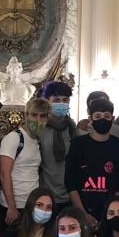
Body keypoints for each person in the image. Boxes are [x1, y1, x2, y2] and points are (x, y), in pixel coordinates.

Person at [65, 97, 119, 228]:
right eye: (98, 116)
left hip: (110, 214)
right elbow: (70, 183)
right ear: (90, 119)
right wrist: (83, 213)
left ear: (113, 118)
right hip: (82, 211)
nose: (102, 119)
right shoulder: (78, 145)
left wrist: (110, 214)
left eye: (107, 116)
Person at [0, 97, 49, 230]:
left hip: (32, 204)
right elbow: (4, 174)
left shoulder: (37, 141)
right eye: (34, 115)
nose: (38, 120)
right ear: (26, 115)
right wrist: (11, 207)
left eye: (42, 116)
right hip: (14, 205)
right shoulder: (14, 138)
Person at [38, 81, 77, 210]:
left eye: (65, 100)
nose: (61, 103)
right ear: (47, 102)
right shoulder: (39, 128)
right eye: (56, 100)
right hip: (45, 195)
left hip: (70, 195)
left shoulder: (72, 129)